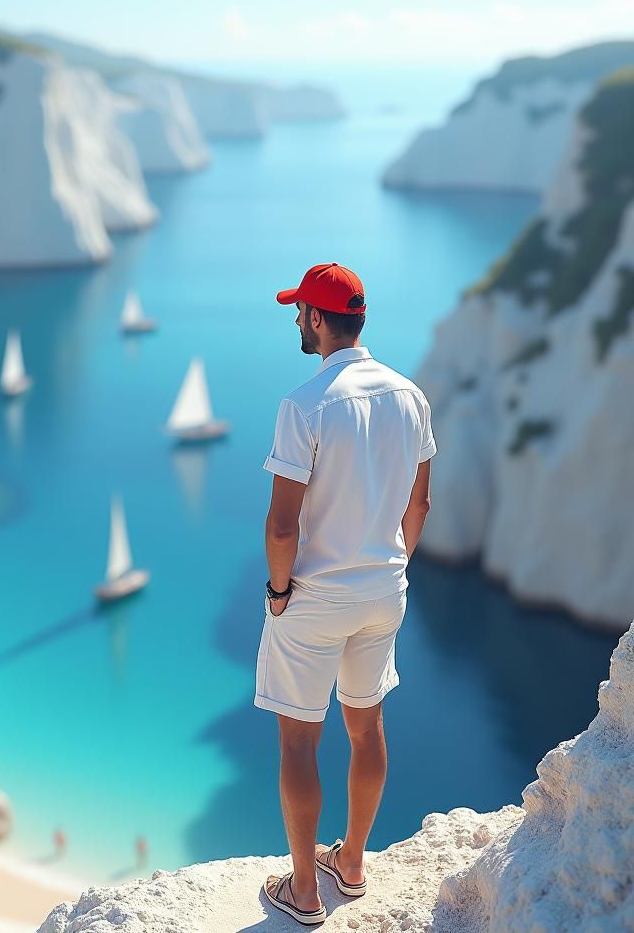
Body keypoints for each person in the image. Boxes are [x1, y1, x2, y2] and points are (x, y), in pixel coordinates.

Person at [256, 263, 436, 926]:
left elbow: (282, 526)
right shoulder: (411, 395)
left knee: (299, 744)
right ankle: (352, 864)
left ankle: (304, 891)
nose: (297, 321)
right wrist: (393, 567)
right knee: (367, 728)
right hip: (384, 589)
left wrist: (279, 592)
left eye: (300, 311)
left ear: (317, 319)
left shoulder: (304, 405)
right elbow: (419, 503)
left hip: (314, 597)